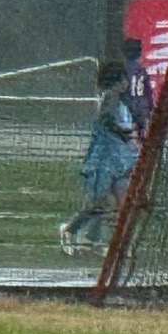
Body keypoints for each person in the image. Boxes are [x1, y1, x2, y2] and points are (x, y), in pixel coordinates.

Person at [60, 59, 138, 256]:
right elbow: (106, 118)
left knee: (119, 203)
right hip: (107, 159)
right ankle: (71, 230)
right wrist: (121, 131)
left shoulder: (119, 101)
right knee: (100, 202)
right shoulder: (111, 97)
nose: (127, 82)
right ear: (117, 81)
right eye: (124, 78)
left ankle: (112, 243)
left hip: (120, 159)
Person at [120, 35, 155, 138]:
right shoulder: (141, 71)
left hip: (128, 106)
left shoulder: (122, 70)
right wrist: (150, 109)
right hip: (142, 106)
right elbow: (148, 92)